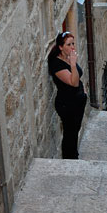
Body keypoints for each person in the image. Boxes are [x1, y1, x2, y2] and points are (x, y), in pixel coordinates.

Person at [47, 31, 87, 159]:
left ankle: (73, 156)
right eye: (69, 44)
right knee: (70, 134)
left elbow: (78, 78)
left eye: (73, 44)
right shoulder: (57, 64)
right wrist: (73, 64)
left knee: (75, 132)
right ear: (60, 47)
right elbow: (73, 82)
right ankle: (70, 159)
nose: (72, 47)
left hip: (77, 102)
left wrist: (83, 91)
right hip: (67, 105)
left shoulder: (68, 57)